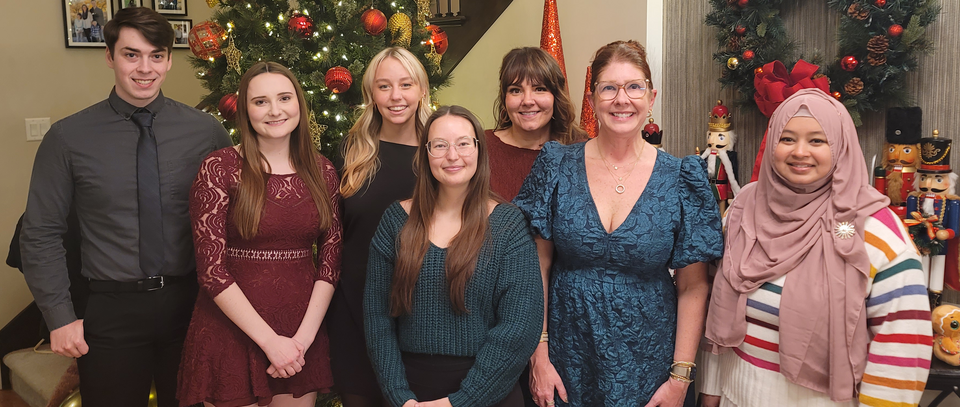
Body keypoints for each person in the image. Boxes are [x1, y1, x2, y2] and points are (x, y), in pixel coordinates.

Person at [19, 7, 232, 407]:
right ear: (110, 56)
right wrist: (60, 316)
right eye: (131, 54)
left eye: (156, 55)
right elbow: (40, 233)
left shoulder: (206, 132)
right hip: (110, 310)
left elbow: (234, 218)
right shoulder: (67, 138)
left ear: (169, 60)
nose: (145, 68)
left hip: (192, 306)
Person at [513, 40, 723, 406]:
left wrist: (680, 378)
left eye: (634, 87)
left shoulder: (681, 178)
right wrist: (539, 356)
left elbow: (693, 286)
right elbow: (537, 265)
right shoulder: (556, 165)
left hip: (650, 367)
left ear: (651, 97)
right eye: (609, 88)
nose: (621, 99)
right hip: (565, 360)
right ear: (592, 99)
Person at [700, 88, 932, 406]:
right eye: (787, 138)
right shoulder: (743, 208)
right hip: (735, 395)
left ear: (840, 146)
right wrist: (710, 389)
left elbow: (901, 349)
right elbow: (716, 305)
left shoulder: (874, 229)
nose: (800, 152)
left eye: (817, 141)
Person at [177, 61, 341, 407]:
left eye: (284, 98)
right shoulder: (219, 168)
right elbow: (211, 271)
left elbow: (330, 264)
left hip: (300, 334)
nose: (275, 110)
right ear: (245, 110)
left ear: (299, 103)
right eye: (260, 101)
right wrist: (270, 342)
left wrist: (300, 342)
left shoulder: (324, 171)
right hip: (232, 330)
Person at [364, 105, 543, 407]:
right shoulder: (396, 221)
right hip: (410, 395)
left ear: (479, 150)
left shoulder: (508, 226)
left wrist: (459, 402)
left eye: (463, 143)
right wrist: (399, 397)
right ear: (425, 153)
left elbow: (519, 327)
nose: (452, 155)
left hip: (488, 394)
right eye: (440, 145)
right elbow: (377, 319)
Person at [328, 47, 432, 407]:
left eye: (406, 84)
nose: (395, 96)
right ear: (371, 93)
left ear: (422, 89)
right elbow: (334, 234)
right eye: (384, 86)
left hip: (420, 312)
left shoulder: (438, 153)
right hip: (352, 308)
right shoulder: (351, 151)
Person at [487, 47, 586, 201]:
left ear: (556, 97)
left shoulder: (581, 152)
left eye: (539, 89)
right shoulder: (480, 147)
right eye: (516, 90)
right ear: (504, 98)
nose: (527, 101)